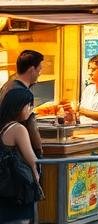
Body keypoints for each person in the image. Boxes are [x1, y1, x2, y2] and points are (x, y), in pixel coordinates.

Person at [0, 87, 42, 224]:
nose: (31, 109)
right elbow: (32, 160)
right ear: (18, 106)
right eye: (29, 105)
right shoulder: (18, 129)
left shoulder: (3, 126)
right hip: (17, 191)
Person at [0, 51, 43, 160]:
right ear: (32, 69)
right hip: (16, 154)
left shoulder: (7, 85)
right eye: (39, 69)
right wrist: (39, 152)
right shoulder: (23, 94)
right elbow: (29, 123)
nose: (40, 73)